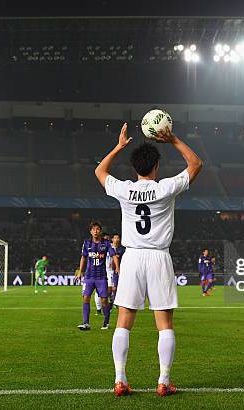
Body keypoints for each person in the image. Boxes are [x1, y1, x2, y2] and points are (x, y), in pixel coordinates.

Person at [94, 123, 202, 397]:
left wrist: (119, 147)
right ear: (156, 166)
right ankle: (163, 382)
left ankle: (120, 380)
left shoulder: (124, 190)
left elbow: (99, 171)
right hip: (158, 257)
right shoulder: (166, 188)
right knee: (164, 324)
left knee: (123, 321)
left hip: (131, 258)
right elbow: (196, 164)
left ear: (135, 168)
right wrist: (174, 138)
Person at [77, 222, 112, 330]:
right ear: (90, 231)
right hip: (89, 276)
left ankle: (106, 321)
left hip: (101, 277)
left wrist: (118, 267)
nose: (95, 231)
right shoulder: (86, 243)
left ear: (100, 231)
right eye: (93, 229)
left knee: (104, 301)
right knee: (86, 298)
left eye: (97, 229)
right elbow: (83, 257)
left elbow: (113, 255)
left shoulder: (106, 243)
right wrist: (80, 272)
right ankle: (86, 323)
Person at [108, 233, 126, 309]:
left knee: (116, 287)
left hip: (117, 271)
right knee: (110, 288)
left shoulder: (121, 249)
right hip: (108, 270)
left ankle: (114, 301)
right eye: (115, 238)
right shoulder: (108, 247)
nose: (117, 239)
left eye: (118, 238)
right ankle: (111, 300)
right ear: (112, 239)